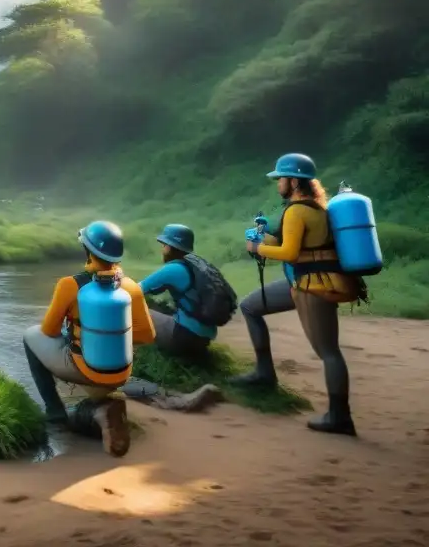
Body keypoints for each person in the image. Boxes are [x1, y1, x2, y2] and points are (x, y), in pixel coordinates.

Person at [235, 152, 361, 436]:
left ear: (293, 181)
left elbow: (289, 252)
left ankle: (340, 416)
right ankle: (264, 373)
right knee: (251, 306)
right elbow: (290, 243)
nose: (278, 183)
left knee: (328, 351)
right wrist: (264, 236)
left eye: (280, 178)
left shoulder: (296, 211)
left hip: (313, 286)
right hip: (304, 281)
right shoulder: (313, 208)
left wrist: (257, 249)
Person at [23, 220, 156, 457]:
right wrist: (112, 339)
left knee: (30, 336)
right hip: (120, 371)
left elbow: (49, 331)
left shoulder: (69, 285)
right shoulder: (130, 287)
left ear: (88, 251)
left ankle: (55, 413)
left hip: (86, 368)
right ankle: (103, 407)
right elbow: (148, 335)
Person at [138, 224, 237, 358]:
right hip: (202, 339)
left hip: (183, 338)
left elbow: (136, 290)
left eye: (164, 245)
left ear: (171, 246)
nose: (162, 250)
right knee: (161, 307)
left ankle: (133, 352)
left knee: (133, 310)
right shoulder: (195, 265)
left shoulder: (173, 269)